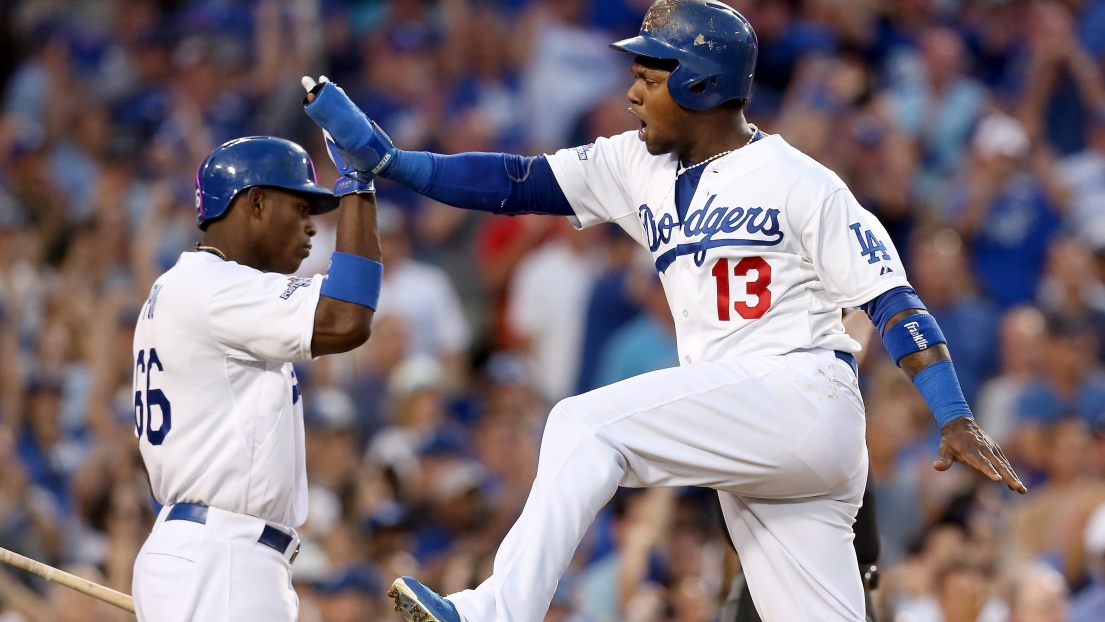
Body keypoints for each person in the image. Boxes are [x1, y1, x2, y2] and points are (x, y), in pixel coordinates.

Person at [302, 1, 1025, 620]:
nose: (632, 95)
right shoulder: (634, 164)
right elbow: (517, 182)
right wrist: (394, 164)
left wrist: (951, 411)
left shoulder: (801, 180)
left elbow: (890, 297)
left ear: (700, 83)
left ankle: (497, 609)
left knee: (579, 423)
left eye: (649, 78)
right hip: (754, 444)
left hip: (797, 394)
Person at [129, 135, 383, 622]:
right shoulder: (214, 287)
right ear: (257, 202)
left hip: (204, 553)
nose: (312, 227)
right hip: (221, 556)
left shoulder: (183, 285)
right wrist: (359, 186)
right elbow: (347, 319)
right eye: (300, 206)